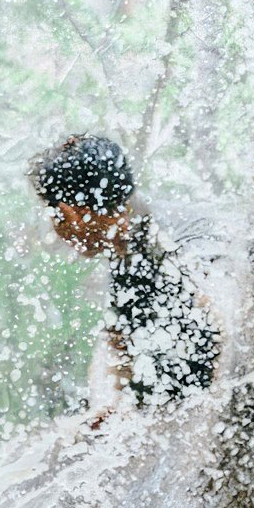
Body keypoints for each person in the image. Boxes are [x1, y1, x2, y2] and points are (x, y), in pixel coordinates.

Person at [28, 132, 220, 409]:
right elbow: (115, 340)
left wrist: (212, 416)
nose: (54, 228)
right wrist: (106, 406)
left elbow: (225, 313)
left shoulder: (172, 238)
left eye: (53, 213)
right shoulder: (126, 243)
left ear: (69, 212)